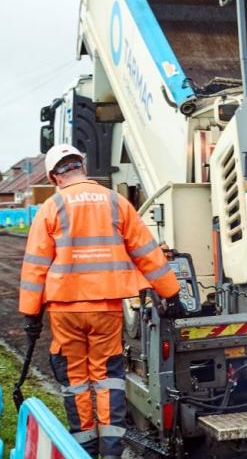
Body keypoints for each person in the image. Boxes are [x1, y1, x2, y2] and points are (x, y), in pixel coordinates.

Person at [18, 144, 183, 459]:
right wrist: (170, 292)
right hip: (105, 308)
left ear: (54, 177)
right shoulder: (115, 202)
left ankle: (82, 448)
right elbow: (147, 252)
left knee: (77, 381)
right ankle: (110, 451)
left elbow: (35, 266)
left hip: (64, 311)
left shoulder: (51, 208)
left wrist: (30, 314)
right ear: (82, 164)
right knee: (108, 378)